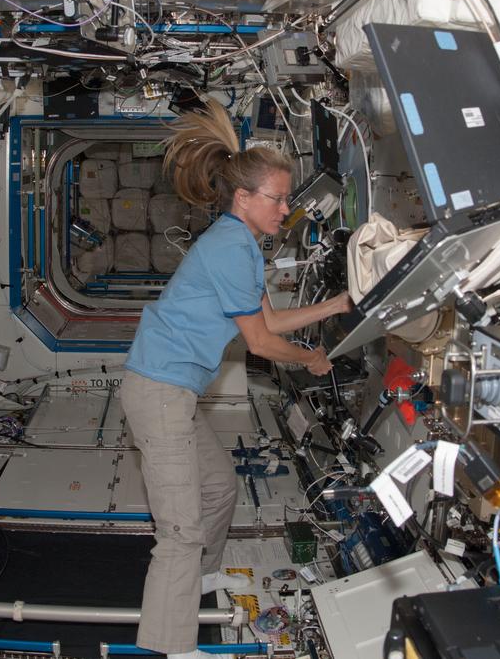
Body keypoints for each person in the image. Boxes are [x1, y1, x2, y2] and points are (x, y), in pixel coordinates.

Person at [120, 104, 351, 659]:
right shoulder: (229, 246)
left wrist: (339, 304)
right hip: (159, 391)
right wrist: (309, 361)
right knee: (179, 531)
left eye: (287, 198)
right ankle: (172, 649)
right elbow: (262, 344)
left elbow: (267, 321)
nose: (285, 209)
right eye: (276, 198)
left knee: (220, 488)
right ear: (243, 198)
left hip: (174, 391)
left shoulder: (242, 244)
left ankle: (200, 581)